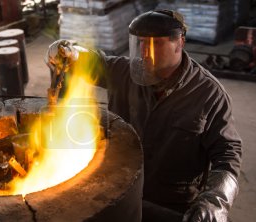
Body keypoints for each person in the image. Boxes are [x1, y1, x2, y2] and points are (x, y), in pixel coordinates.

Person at [46, 10, 242, 222]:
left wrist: (216, 199)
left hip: (171, 203)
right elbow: (97, 64)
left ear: (179, 43)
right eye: (141, 42)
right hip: (121, 188)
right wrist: (73, 53)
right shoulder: (127, 73)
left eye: (156, 44)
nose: (145, 52)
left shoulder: (209, 95)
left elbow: (228, 153)